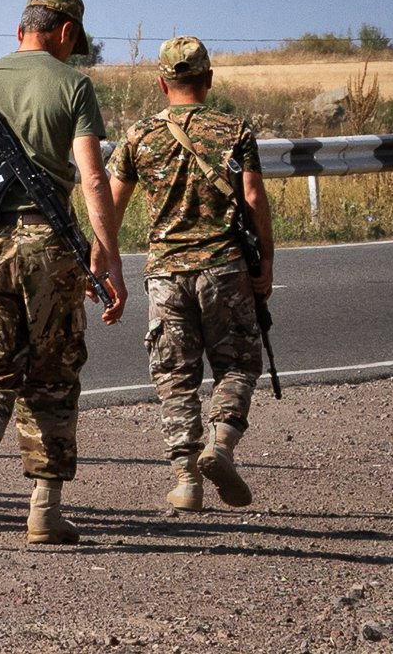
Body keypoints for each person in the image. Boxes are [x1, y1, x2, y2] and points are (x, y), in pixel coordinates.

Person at [0, 0, 126, 547]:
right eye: (75, 42)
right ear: (64, 32)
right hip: (50, 247)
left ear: (23, 28)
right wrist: (105, 254)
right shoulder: (74, 85)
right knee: (52, 377)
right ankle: (44, 510)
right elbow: (90, 178)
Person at [109, 35, 274, 512]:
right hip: (225, 268)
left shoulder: (139, 136)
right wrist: (265, 259)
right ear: (208, 80)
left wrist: (103, 262)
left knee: (176, 378)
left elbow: (111, 207)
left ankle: (186, 481)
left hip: (165, 275)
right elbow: (255, 198)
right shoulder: (234, 129)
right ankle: (220, 443)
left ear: (162, 83)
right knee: (238, 364)